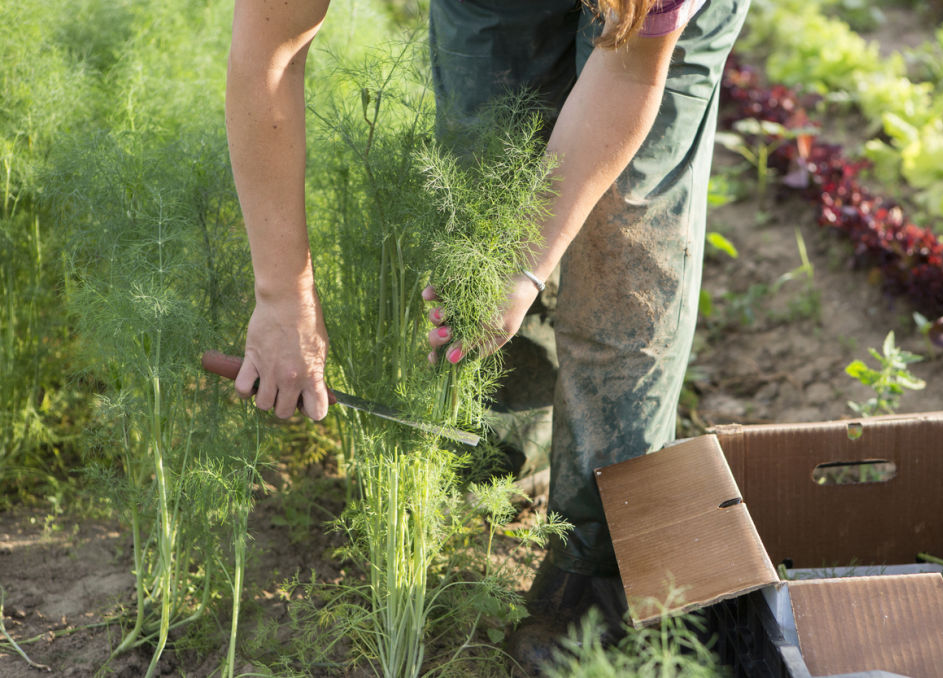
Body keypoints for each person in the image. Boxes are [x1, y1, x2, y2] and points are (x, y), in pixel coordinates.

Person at [226, 0, 749, 670]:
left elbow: (627, 77)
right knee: (483, 179)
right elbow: (269, 50)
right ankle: (500, 443)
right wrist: (281, 299)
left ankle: (601, 560)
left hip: (644, 25)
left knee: (623, 247)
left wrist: (526, 264)